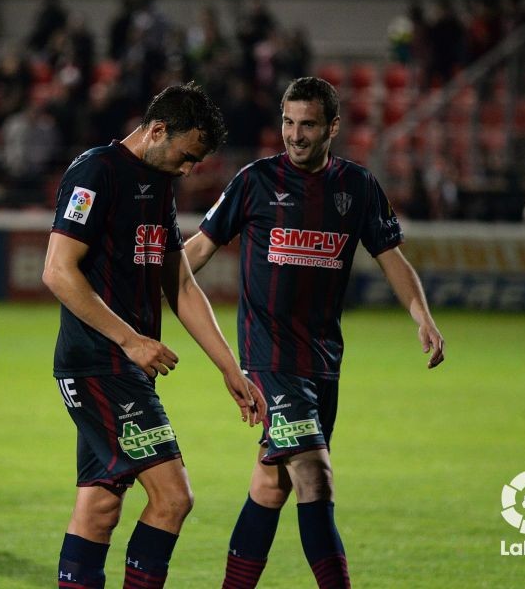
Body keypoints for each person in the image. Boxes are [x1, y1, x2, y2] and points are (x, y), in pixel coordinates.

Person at [184, 77, 445, 588]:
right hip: (270, 358)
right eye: (288, 122)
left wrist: (423, 315)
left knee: (271, 482)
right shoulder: (254, 181)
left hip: (323, 361)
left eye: (307, 125)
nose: (295, 135)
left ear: (332, 128)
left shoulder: (358, 187)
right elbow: (195, 251)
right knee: (315, 476)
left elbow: (391, 256)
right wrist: (144, 295)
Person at [42, 82, 266, 589]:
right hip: (98, 364)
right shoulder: (96, 172)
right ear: (158, 130)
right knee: (173, 498)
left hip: (126, 366)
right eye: (187, 157)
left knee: (100, 505)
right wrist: (131, 339)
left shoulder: (158, 181)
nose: (188, 170)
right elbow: (57, 271)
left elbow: (180, 282)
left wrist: (230, 369)